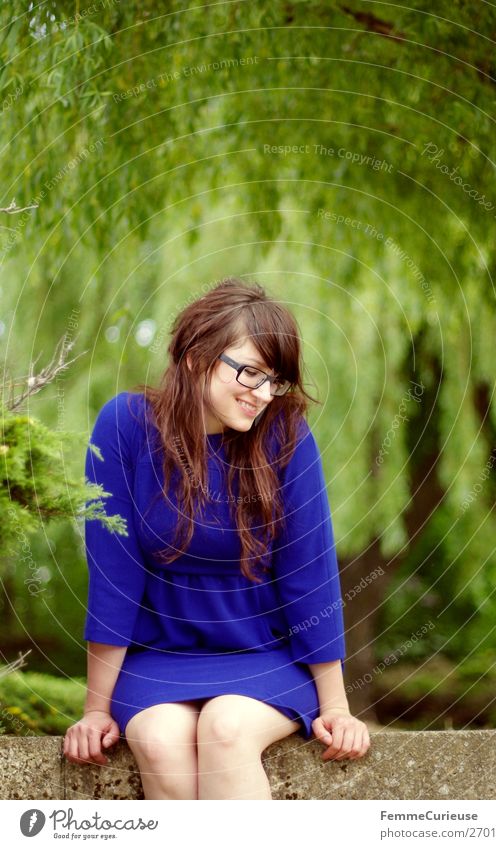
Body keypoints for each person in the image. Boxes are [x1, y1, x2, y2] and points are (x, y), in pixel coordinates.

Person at [63, 277, 370, 799]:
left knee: (226, 729)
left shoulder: (285, 434)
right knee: (159, 740)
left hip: (268, 655)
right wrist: (95, 710)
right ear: (195, 356)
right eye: (250, 372)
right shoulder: (124, 425)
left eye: (275, 379)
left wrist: (337, 707)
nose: (263, 394)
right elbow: (114, 575)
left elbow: (308, 574)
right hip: (158, 657)